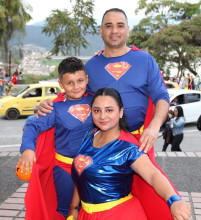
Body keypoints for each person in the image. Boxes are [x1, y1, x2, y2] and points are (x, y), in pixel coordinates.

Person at [37, 8, 177, 219]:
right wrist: (45, 106)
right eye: (109, 25)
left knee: (151, 195)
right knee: (97, 194)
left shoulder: (145, 60)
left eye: (120, 25)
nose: (114, 30)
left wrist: (154, 127)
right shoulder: (91, 66)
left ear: (128, 30)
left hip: (139, 142)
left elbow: (161, 97)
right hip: (103, 143)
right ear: (101, 31)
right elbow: (75, 94)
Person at [68, 87, 191, 220]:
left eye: (109, 110)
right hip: (86, 215)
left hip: (118, 215)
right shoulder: (89, 136)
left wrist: (174, 200)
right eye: (97, 111)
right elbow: (82, 174)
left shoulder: (128, 148)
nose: (102, 116)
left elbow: (153, 175)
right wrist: (73, 208)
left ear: (121, 112)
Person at [17, 57, 94, 220]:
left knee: (90, 207)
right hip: (65, 169)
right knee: (65, 209)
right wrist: (27, 149)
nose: (76, 87)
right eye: (70, 83)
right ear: (61, 84)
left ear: (87, 79)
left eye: (80, 81)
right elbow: (33, 126)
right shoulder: (54, 107)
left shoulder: (96, 100)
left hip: (92, 167)